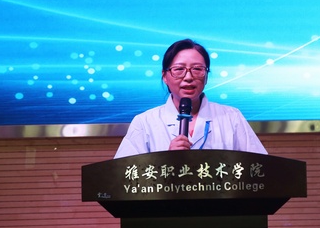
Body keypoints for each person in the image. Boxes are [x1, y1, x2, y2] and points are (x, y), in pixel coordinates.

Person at [114, 38, 267, 158]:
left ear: (206, 76)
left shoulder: (231, 117)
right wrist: (164, 161)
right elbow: (124, 175)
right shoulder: (144, 122)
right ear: (165, 76)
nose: (188, 77)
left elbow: (260, 169)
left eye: (197, 69)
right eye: (179, 69)